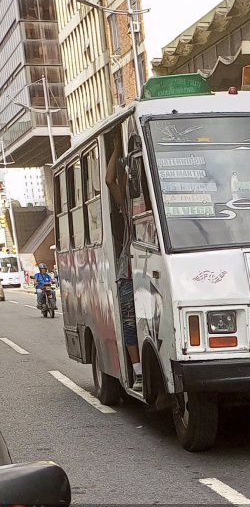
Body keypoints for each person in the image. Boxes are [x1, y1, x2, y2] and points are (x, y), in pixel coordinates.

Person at [106, 134, 142, 392]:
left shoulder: (152, 201)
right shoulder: (127, 205)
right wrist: (117, 147)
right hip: (127, 271)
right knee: (130, 321)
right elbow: (109, 180)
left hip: (145, 268)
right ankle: (138, 373)